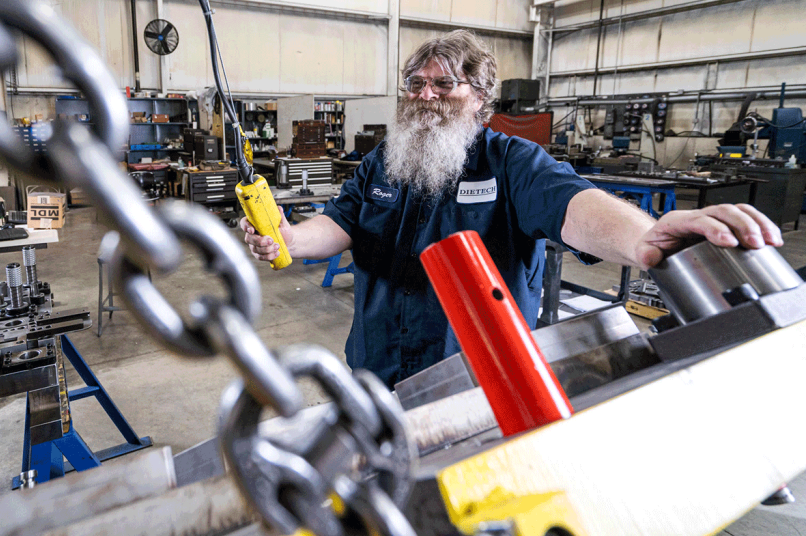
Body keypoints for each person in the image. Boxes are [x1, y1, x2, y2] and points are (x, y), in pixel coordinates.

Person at [240, 29, 783, 388]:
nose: (425, 96)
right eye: (415, 84)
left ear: (481, 96)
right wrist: (291, 237)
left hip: (474, 378)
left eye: (443, 84)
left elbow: (574, 205)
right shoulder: (383, 161)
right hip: (374, 366)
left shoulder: (511, 163)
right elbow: (341, 221)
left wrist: (644, 237)